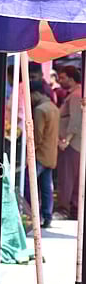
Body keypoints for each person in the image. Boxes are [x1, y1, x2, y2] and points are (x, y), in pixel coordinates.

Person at [24, 81, 60, 229]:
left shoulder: (40, 110)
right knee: (46, 188)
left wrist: (28, 153)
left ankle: (31, 214)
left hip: (39, 154)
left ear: (36, 93)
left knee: (28, 183)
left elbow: (36, 136)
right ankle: (47, 216)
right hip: (51, 154)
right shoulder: (53, 107)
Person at [55, 65, 83, 220]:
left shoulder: (76, 95)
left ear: (72, 79)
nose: (60, 81)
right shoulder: (75, 94)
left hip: (71, 144)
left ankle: (63, 209)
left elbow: (75, 120)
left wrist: (67, 140)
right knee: (73, 177)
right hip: (74, 143)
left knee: (66, 177)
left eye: (63, 77)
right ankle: (72, 209)